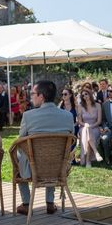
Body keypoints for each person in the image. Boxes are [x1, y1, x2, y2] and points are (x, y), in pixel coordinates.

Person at [15, 80, 74, 216]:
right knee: (53, 154)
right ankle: (50, 202)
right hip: (58, 167)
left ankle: (26, 203)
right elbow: (71, 139)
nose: (31, 97)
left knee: (19, 157)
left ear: (41, 96)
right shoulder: (68, 116)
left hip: (33, 168)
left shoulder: (28, 116)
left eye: (33, 94)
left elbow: (20, 141)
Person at [77, 89, 103, 167]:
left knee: (89, 132)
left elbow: (99, 121)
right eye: (83, 95)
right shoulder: (80, 106)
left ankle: (87, 160)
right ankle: (95, 152)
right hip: (83, 127)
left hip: (95, 127)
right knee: (86, 131)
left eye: (86, 94)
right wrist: (86, 125)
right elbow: (79, 121)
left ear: (90, 94)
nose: (85, 96)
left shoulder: (98, 105)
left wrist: (91, 126)